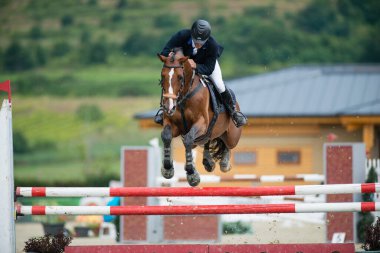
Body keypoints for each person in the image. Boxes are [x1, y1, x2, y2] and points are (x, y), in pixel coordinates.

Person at [155, 19, 247, 127]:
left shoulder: (212, 45)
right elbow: (165, 51)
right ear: (192, 34)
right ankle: (164, 110)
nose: (198, 44)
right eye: (196, 41)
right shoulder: (182, 35)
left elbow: (209, 68)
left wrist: (196, 66)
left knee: (219, 85)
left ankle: (234, 112)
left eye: (201, 42)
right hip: (183, 63)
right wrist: (173, 56)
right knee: (171, 80)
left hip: (205, 64)